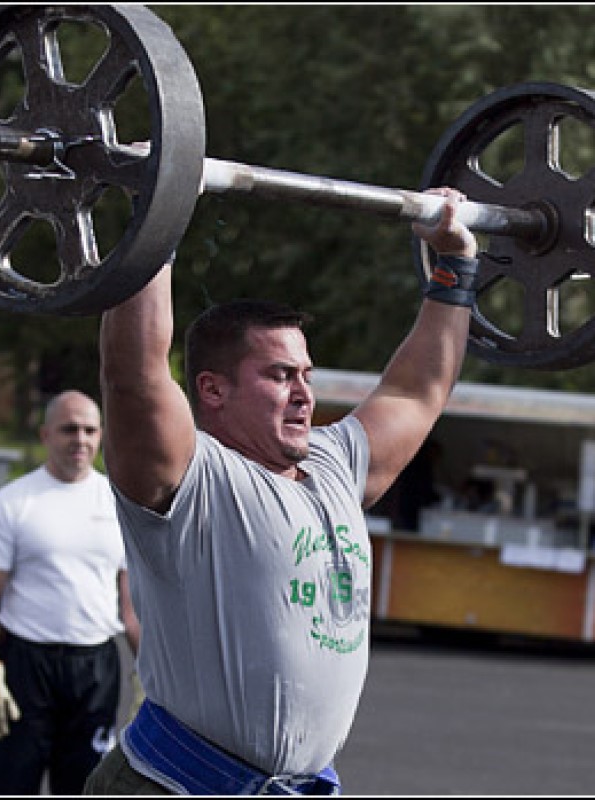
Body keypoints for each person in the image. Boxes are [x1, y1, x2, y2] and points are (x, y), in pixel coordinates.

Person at [84, 187, 478, 795]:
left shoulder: (336, 463)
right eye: (279, 375)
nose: (304, 393)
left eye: (306, 375)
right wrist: (157, 212)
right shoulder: (192, 480)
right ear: (212, 391)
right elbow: (133, 373)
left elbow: (417, 391)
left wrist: (454, 264)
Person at [0, 390, 140, 796]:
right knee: (11, 785)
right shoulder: (11, 504)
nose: (79, 438)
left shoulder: (120, 506)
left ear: (101, 436)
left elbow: (132, 607)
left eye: (89, 429)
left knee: (84, 787)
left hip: (95, 669)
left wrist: (149, 673)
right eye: (68, 429)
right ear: (46, 435)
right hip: (26, 667)